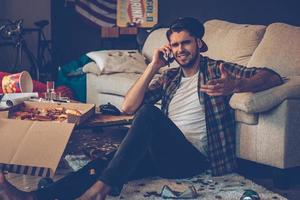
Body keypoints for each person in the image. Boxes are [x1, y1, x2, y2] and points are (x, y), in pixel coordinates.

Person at [0, 17, 283, 200]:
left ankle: (99, 192)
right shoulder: (170, 78)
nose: (181, 49)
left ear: (199, 43)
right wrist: (153, 65)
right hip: (165, 151)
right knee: (106, 163)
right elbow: (128, 105)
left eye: (186, 42)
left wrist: (236, 85)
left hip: (194, 160)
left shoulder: (217, 70)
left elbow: (272, 76)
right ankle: (33, 198)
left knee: (149, 115)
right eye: (175, 45)